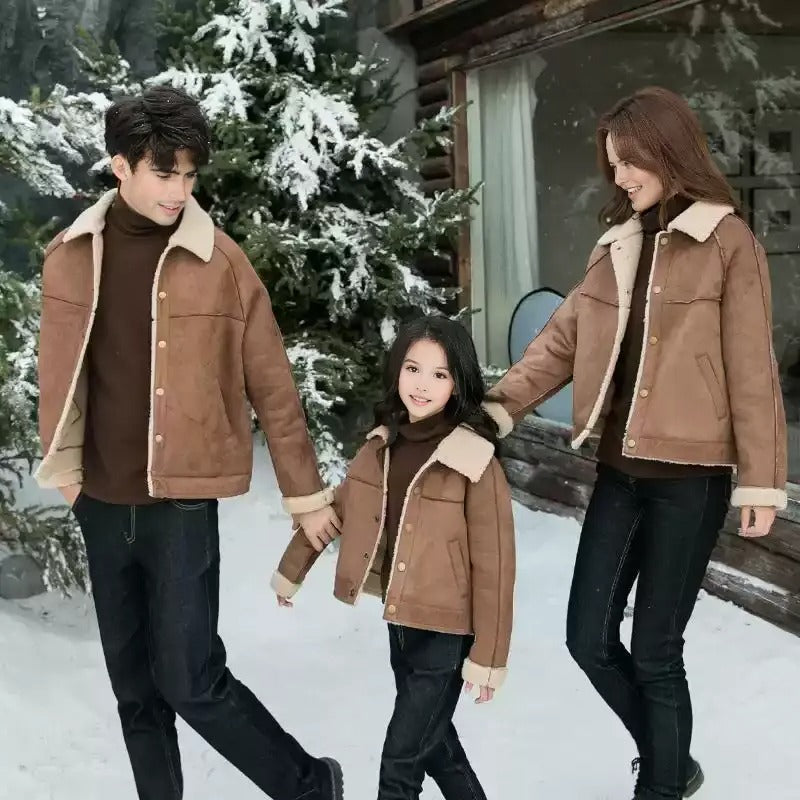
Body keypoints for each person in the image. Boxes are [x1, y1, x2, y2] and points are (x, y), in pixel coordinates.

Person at [35, 85, 344, 800]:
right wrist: (70, 479)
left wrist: (303, 493)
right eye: (164, 172)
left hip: (178, 506)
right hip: (101, 502)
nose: (180, 190)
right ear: (121, 166)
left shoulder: (222, 261)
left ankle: (309, 786)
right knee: (136, 690)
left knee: (190, 680)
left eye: (190, 175)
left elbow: (273, 384)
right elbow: (57, 371)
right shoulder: (70, 255)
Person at [484, 86, 787, 800]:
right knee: (588, 639)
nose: (618, 175)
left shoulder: (728, 243)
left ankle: (659, 784)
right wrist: (496, 410)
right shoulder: (617, 244)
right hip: (620, 472)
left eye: (628, 160)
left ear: (667, 150)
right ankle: (672, 761)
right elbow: (559, 343)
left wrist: (762, 478)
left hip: (693, 480)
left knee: (655, 651)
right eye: (612, 163)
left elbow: (751, 366)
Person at [272, 315, 516, 800]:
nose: (422, 385)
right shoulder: (382, 446)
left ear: (458, 383)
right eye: (413, 368)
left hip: (448, 634)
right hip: (401, 624)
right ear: (396, 372)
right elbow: (340, 509)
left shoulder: (473, 461)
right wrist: (291, 571)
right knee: (436, 746)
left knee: (399, 765)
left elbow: (496, 567)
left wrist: (488, 656)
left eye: (439, 374)